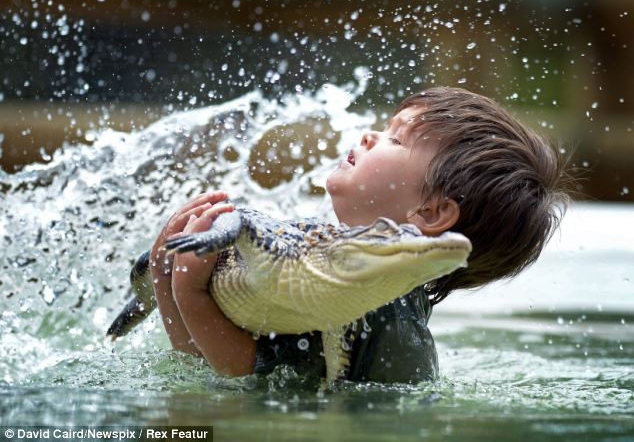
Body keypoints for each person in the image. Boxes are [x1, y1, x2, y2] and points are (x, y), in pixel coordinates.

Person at [149, 87, 570, 383]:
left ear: (431, 212)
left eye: (396, 138)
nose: (370, 136)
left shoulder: (376, 305)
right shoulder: (331, 265)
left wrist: (187, 290)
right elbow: (201, 366)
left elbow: (250, 381)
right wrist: (164, 271)